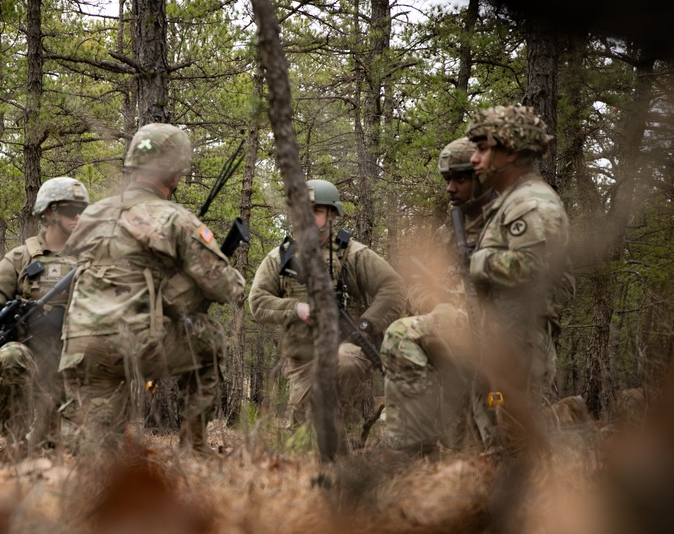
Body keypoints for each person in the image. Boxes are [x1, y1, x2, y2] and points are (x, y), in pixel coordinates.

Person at [58, 123, 245, 452]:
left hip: (80, 343)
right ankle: (194, 452)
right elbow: (224, 287)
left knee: (98, 452)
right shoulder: (175, 218)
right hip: (134, 340)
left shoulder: (92, 214)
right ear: (175, 171)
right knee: (211, 338)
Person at [249, 180, 406, 437]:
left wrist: (366, 325)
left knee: (341, 364)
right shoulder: (280, 258)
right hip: (302, 361)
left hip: (346, 350)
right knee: (303, 436)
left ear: (332, 215)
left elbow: (394, 288)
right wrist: (297, 308)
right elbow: (257, 303)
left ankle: (347, 430)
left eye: (316, 211)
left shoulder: (353, 254)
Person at [379, 138, 495, 456]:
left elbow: (558, 286)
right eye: (447, 181)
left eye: (460, 179)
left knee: (492, 445)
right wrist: (436, 305)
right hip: (453, 336)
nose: (450, 189)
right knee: (400, 337)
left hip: (503, 344)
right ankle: (412, 448)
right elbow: (415, 287)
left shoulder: (511, 223)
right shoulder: (447, 233)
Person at [465, 104, 574, 442]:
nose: (473, 159)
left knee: (519, 445)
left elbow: (536, 270)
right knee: (497, 444)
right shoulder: (509, 202)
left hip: (521, 341)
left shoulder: (532, 203)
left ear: (509, 152)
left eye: (483, 149)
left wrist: (478, 262)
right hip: (502, 340)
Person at [0, 176, 90, 448]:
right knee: (10, 355)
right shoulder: (22, 258)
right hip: (31, 354)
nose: (78, 216)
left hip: (79, 354)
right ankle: (16, 444)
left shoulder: (93, 258)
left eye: (83, 210)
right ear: (48, 212)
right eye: (70, 210)